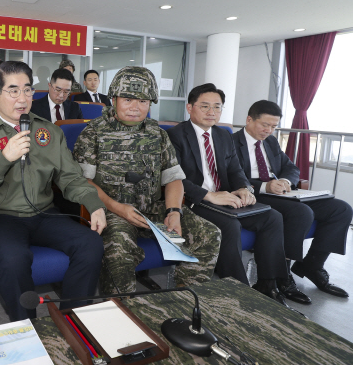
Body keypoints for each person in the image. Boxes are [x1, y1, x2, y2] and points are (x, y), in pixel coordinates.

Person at [0, 61, 106, 322]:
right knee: (14, 258)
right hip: (3, 217)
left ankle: (73, 319)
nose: (23, 99)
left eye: (28, 90)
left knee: (90, 243)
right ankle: (25, 324)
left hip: (45, 213)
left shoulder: (48, 131)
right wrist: (4, 158)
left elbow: (70, 177)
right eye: (13, 91)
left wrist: (93, 203)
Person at [73, 67, 220, 293]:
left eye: (143, 101)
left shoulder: (158, 134)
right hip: (112, 211)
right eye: (128, 99)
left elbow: (173, 178)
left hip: (153, 209)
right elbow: (84, 183)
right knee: (118, 250)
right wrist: (118, 208)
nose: (135, 107)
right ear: (114, 99)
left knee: (210, 234)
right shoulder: (93, 132)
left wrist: (173, 211)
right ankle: (124, 312)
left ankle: (186, 301)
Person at [167, 84, 290, 306]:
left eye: (217, 107)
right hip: (194, 200)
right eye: (204, 106)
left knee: (273, 217)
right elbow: (173, 177)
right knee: (229, 225)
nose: (211, 112)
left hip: (224, 197)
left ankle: (268, 285)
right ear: (189, 107)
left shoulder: (223, 136)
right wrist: (209, 195)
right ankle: (238, 292)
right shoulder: (173, 135)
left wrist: (244, 187)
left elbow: (235, 170)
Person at [233, 100, 351, 302]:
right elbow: (232, 176)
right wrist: (265, 186)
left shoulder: (270, 141)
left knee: (341, 209)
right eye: (265, 125)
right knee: (301, 213)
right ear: (249, 120)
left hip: (281, 192)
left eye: (274, 126)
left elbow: (292, 168)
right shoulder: (231, 143)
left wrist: (285, 181)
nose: (269, 130)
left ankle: (312, 266)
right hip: (254, 194)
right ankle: (283, 276)